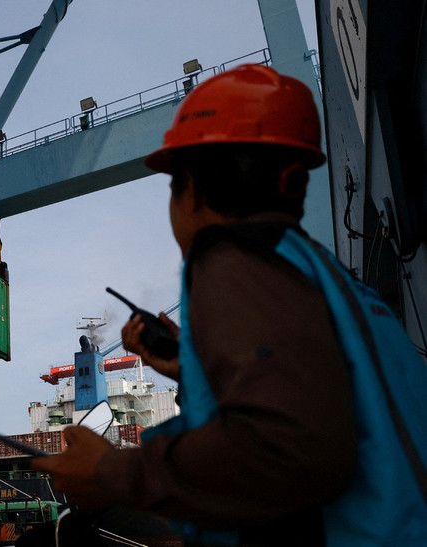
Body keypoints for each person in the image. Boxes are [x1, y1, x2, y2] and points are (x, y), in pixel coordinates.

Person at [31, 64, 427, 545]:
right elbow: (334, 401)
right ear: (292, 182)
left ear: (190, 189)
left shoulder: (229, 259)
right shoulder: (333, 283)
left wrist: (111, 473)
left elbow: (291, 450)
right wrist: (194, 367)